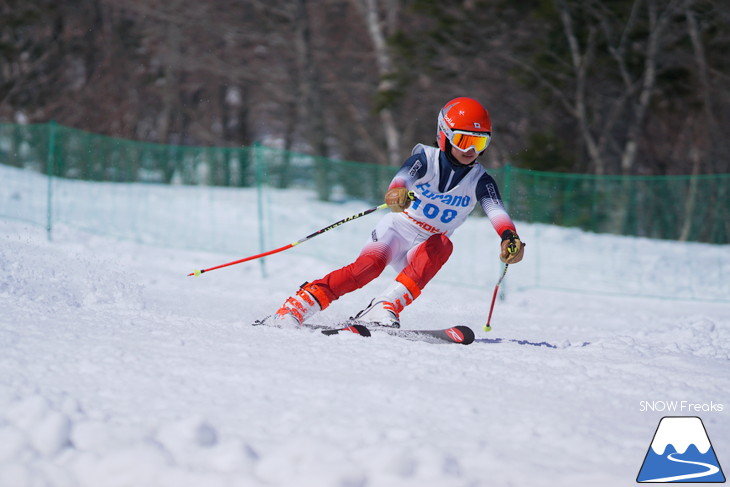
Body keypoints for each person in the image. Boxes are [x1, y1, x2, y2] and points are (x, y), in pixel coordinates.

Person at [257, 97, 524, 329]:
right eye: (463, 140)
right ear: (444, 134)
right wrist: (397, 192)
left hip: (423, 249)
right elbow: (403, 178)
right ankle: (298, 305)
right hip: (397, 229)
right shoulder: (426, 159)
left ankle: (384, 307)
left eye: (479, 143)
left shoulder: (480, 179)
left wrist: (509, 237)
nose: (470, 150)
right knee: (366, 269)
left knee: (443, 245)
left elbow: (496, 211)